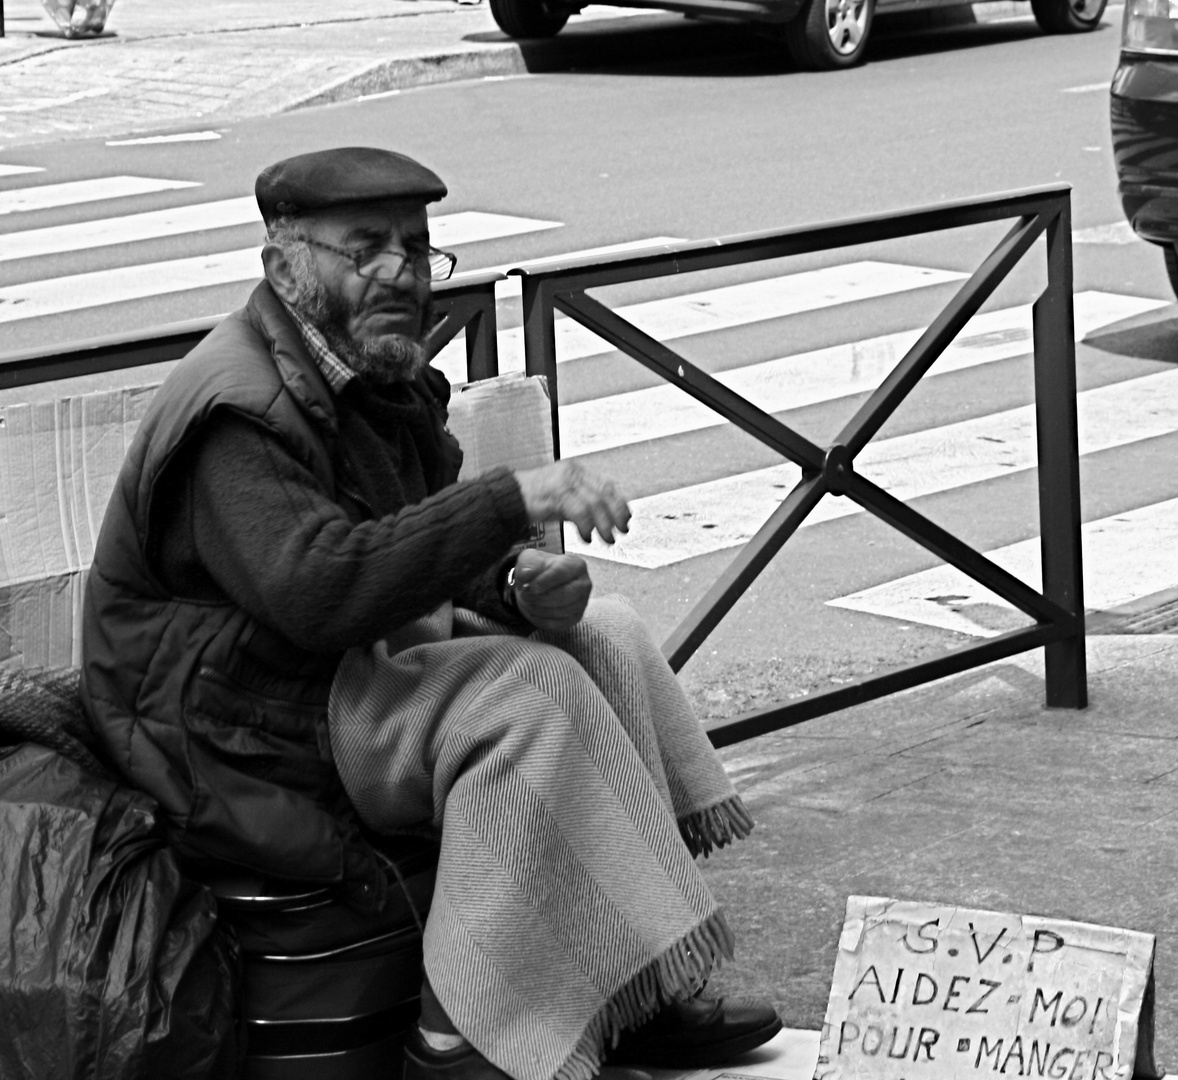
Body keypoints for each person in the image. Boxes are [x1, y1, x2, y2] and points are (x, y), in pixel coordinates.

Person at [77, 147, 780, 1080]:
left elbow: (424, 540)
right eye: (365, 248)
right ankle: (458, 1042)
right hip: (222, 721)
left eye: (415, 247)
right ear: (285, 263)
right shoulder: (235, 412)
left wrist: (516, 585)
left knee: (601, 631)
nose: (400, 274)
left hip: (319, 674)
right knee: (524, 693)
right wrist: (514, 499)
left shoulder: (377, 374)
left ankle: (630, 987)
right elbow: (321, 591)